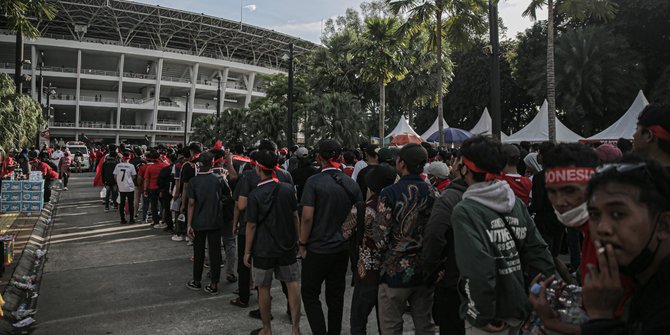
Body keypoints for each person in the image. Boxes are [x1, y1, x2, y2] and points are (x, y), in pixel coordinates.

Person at [531, 157, 670, 334]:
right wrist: (557, 323)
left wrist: (600, 316)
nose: (602, 228)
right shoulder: (643, 277)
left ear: (663, 225)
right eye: (595, 214)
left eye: (618, 214)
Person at [451, 136, 554, 335]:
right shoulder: (513, 201)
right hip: (519, 307)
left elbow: (478, 268)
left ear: (466, 167)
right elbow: (540, 254)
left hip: (491, 315)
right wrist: (538, 296)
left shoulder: (465, 210)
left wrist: (481, 314)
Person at [371, 143, 438, 335]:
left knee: (391, 326)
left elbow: (381, 237)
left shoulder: (389, 192)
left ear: (401, 163)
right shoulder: (434, 192)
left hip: (394, 270)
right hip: (425, 269)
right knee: (425, 324)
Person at [299, 139, 363, 335]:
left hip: (317, 248)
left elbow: (307, 217)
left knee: (310, 293)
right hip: (341, 249)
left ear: (319, 158)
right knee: (336, 297)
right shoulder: (351, 183)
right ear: (340, 157)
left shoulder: (313, 182)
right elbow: (360, 213)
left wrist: (302, 243)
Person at [231, 141, 294, 318]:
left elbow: (241, 204)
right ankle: (291, 310)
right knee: (286, 277)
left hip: (254, 229)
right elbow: (293, 203)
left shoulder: (250, 175)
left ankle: (250, 302)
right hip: (282, 229)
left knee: (255, 274)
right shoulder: (286, 175)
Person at [243, 149, 301, 335]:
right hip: (286, 246)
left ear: (259, 168)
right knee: (292, 284)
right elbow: (295, 216)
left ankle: (267, 329)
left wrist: (246, 252)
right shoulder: (286, 189)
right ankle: (295, 329)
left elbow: (251, 226)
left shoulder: (255, 195)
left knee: (263, 288)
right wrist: (299, 239)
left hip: (263, 249)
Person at [341, 164, 396, 335]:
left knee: (358, 322)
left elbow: (345, 232)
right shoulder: (396, 204)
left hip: (367, 272)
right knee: (386, 324)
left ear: (370, 185)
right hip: (391, 271)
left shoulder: (363, 208)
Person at [422, 156, 468, 335]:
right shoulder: (504, 194)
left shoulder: (448, 197)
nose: (453, 165)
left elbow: (434, 235)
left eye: (457, 161)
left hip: (454, 279)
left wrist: (432, 270)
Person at [186, 151, 231, 295]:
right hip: (215, 220)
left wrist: (189, 224)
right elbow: (228, 194)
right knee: (215, 252)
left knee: (198, 252)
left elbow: (191, 204)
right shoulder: (218, 179)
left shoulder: (194, 181)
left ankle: (196, 280)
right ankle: (214, 284)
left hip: (198, 221)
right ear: (212, 163)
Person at [180, 142, 203, 245]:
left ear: (191, 151)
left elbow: (185, 187)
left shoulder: (188, 165)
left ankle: (191, 237)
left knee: (192, 217)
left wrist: (183, 204)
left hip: (192, 196)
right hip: (207, 195)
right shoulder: (207, 162)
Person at [144, 150, 169, 229]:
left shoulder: (150, 167)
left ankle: (156, 221)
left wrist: (145, 189)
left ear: (151, 159)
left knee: (154, 205)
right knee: (164, 205)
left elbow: (147, 180)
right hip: (162, 188)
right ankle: (164, 220)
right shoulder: (165, 165)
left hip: (152, 188)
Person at [113, 151, 137, 224]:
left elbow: (115, 176)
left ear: (123, 157)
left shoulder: (118, 165)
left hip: (121, 187)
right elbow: (133, 176)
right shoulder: (131, 166)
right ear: (129, 158)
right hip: (129, 187)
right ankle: (131, 219)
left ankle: (122, 219)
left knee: (122, 204)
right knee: (130, 203)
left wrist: (120, 183)